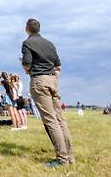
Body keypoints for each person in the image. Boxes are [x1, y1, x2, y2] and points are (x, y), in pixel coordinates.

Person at [21, 18, 74, 168]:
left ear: (27, 29)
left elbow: (26, 64)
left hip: (39, 80)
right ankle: (69, 156)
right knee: (60, 120)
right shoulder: (50, 44)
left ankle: (62, 159)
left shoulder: (27, 43)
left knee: (50, 121)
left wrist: (27, 69)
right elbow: (58, 66)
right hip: (53, 80)